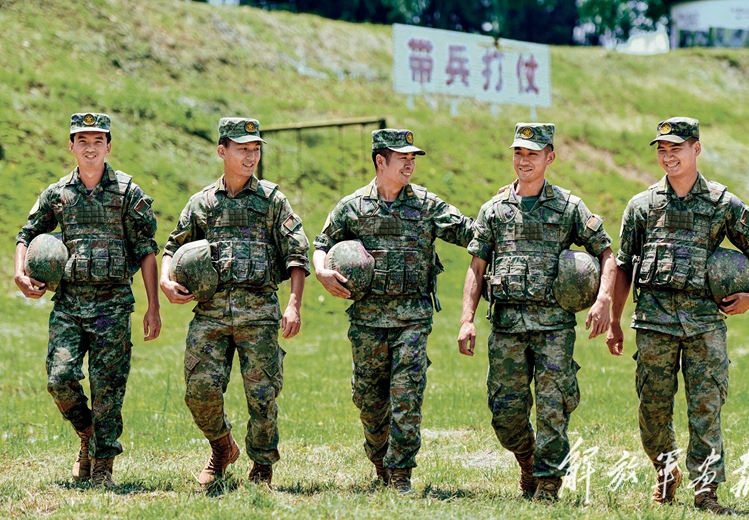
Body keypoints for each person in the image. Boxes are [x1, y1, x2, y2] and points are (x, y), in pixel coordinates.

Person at [606, 117, 749, 514]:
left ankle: (706, 492)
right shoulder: (642, 206)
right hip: (653, 324)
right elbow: (624, 265)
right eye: (662, 149)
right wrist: (614, 320)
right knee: (653, 409)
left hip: (705, 325)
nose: (668, 156)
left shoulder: (721, 203)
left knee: (706, 408)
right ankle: (665, 473)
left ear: (696, 149)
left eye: (676, 148)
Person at [457, 123, 616, 501]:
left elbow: (607, 253)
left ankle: (548, 483)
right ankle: (527, 460)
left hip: (554, 329)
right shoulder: (494, 210)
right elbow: (477, 267)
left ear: (550, 157)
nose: (524, 160)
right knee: (505, 415)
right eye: (519, 153)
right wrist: (466, 319)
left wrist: (603, 300)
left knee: (552, 409)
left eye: (532, 154)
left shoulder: (568, 208)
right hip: (507, 328)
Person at [313, 129, 473, 494]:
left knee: (406, 396)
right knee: (368, 400)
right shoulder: (353, 207)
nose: (410, 164)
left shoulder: (427, 205)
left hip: (413, 320)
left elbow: (471, 233)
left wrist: (501, 209)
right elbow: (322, 244)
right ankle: (379, 459)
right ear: (380, 161)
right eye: (403, 158)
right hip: (367, 321)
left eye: (413, 158)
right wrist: (321, 271)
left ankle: (401, 474)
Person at [160, 117, 310, 488]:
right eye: (243, 149)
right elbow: (173, 246)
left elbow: (297, 254)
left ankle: (262, 466)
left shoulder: (272, 201)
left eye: (255, 149)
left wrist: (293, 304)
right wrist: (165, 279)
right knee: (199, 391)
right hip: (210, 314)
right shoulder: (202, 203)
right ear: (222, 151)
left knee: (262, 396)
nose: (251, 156)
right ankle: (222, 447)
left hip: (258, 313)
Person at [14, 113, 161, 489]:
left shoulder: (127, 193)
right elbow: (26, 234)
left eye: (98, 141)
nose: (90, 148)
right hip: (69, 305)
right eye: (82, 141)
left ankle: (102, 467)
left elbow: (146, 250)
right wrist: (19, 273)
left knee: (107, 387)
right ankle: (87, 433)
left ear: (108, 146)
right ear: (71, 146)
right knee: (59, 379)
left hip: (113, 306)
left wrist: (153, 306)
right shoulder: (58, 194)